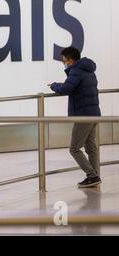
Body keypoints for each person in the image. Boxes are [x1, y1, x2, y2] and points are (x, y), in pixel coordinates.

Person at [49, 47, 102, 188]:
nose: (64, 63)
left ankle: (92, 175)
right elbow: (74, 86)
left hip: (83, 115)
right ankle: (95, 175)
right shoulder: (88, 69)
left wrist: (54, 85)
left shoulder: (76, 71)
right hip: (94, 113)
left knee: (74, 148)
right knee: (91, 147)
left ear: (71, 60)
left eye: (64, 61)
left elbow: (66, 88)